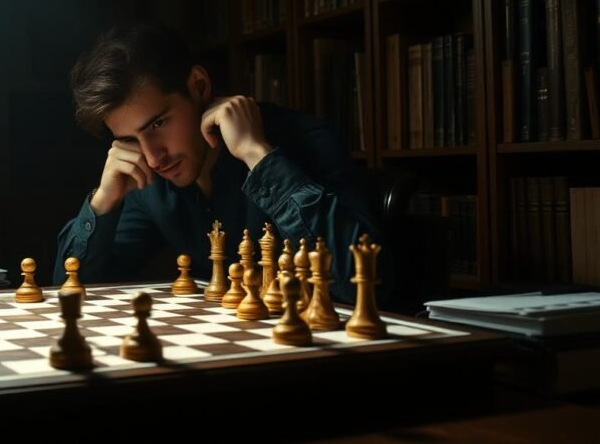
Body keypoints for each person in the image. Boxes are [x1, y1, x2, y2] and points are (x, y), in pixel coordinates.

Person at [54, 22, 386, 305]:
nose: (153, 157)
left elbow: (364, 284)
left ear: (198, 86)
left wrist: (257, 154)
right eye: (129, 139)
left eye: (157, 124)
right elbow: (71, 293)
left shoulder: (308, 141)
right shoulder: (149, 180)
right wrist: (103, 202)